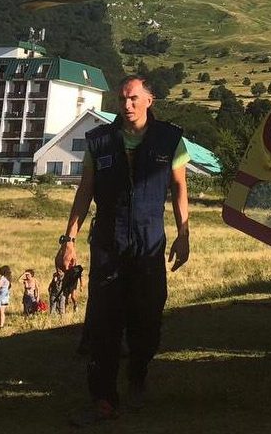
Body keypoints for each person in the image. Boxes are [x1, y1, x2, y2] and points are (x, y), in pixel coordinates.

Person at [57, 74, 190, 425]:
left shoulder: (170, 139)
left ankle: (137, 374)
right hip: (108, 240)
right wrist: (68, 240)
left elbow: (179, 187)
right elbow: (85, 191)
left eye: (133, 98)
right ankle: (103, 399)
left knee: (148, 318)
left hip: (149, 240)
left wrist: (184, 233)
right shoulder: (99, 140)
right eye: (122, 99)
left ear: (149, 100)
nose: (126, 105)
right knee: (104, 322)